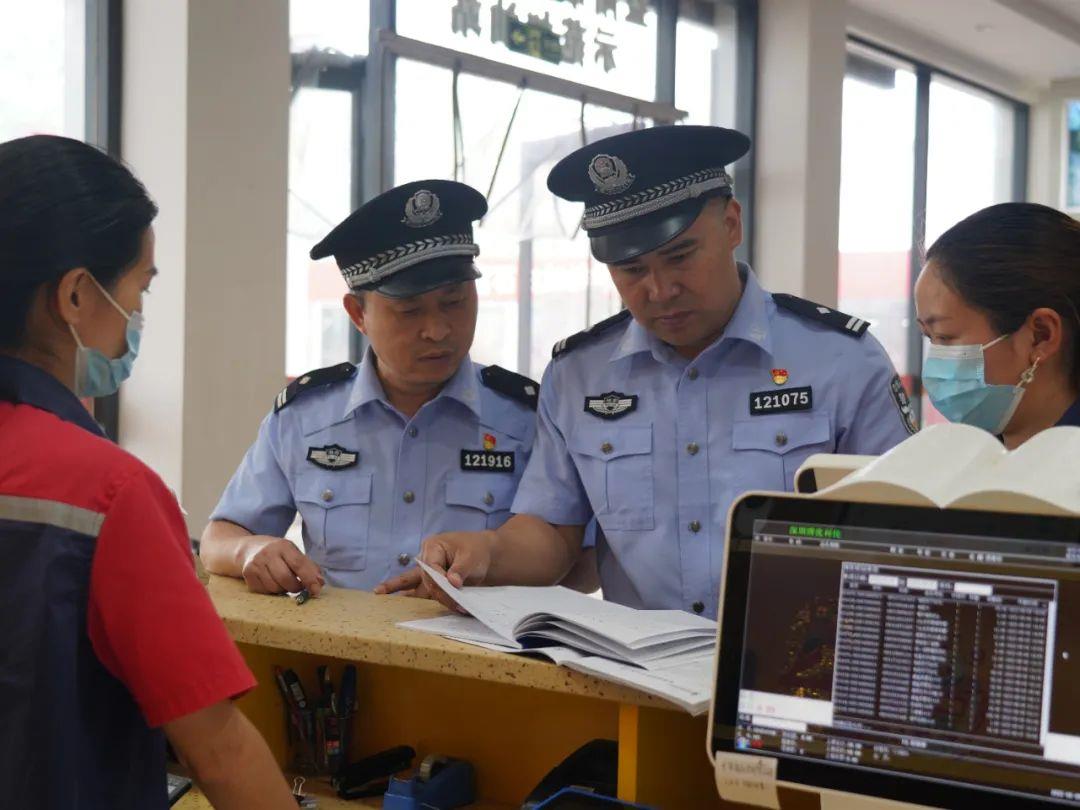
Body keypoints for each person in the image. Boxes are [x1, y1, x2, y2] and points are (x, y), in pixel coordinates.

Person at [378, 125, 915, 618]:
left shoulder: (841, 361)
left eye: (680, 257)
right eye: (631, 269)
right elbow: (554, 531)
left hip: (793, 664)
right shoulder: (580, 376)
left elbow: (907, 534)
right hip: (637, 672)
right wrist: (487, 552)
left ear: (731, 224)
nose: (659, 290)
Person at [0, 135, 295, 808]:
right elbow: (217, 750)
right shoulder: (107, 494)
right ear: (76, 295)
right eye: (140, 288)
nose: (136, 316)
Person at [200, 180, 539, 595]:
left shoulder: (523, 420)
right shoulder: (305, 418)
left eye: (454, 302)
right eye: (409, 311)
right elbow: (220, 537)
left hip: (476, 638)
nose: (437, 330)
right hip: (338, 639)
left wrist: (492, 560)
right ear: (357, 314)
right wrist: (251, 550)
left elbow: (572, 562)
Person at [916, 202, 1080, 446]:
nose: (935, 368)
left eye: (945, 336)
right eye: (930, 337)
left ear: (1041, 336)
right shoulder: (969, 455)